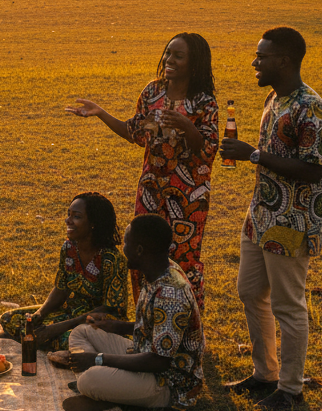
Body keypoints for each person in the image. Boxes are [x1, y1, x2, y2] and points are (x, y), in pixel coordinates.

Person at [220, 26, 322, 411]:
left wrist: (253, 155)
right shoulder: (275, 98)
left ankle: (291, 389)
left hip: (292, 221)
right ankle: (264, 374)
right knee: (250, 291)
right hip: (261, 216)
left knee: (288, 305)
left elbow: (313, 171)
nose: (255, 62)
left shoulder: (311, 107)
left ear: (283, 61)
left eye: (262, 56)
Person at [67, 32, 218, 313]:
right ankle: (147, 317)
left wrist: (187, 126)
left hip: (188, 195)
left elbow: (207, 149)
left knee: (183, 257)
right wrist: (101, 113)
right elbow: (133, 132)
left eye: (178, 55)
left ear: (194, 63)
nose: (169, 59)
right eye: (168, 53)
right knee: (141, 251)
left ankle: (186, 324)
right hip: (150, 189)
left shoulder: (204, 102)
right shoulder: (152, 92)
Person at [63, 214, 204, 411]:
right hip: (142, 352)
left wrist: (99, 359)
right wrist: (118, 326)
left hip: (166, 383)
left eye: (126, 242)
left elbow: (158, 361)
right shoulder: (157, 270)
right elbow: (156, 328)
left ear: (139, 250)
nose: (123, 248)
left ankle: (109, 390)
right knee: (81, 332)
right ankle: (113, 389)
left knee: (89, 379)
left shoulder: (171, 294)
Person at [0, 192, 129, 358]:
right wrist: (39, 315)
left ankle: (45, 341)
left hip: (98, 322)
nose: (68, 220)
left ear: (93, 223)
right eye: (69, 214)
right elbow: (60, 289)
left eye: (76, 216)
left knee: (71, 338)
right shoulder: (69, 248)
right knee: (10, 319)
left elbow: (110, 308)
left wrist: (56, 328)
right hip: (71, 311)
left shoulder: (111, 259)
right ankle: (45, 340)